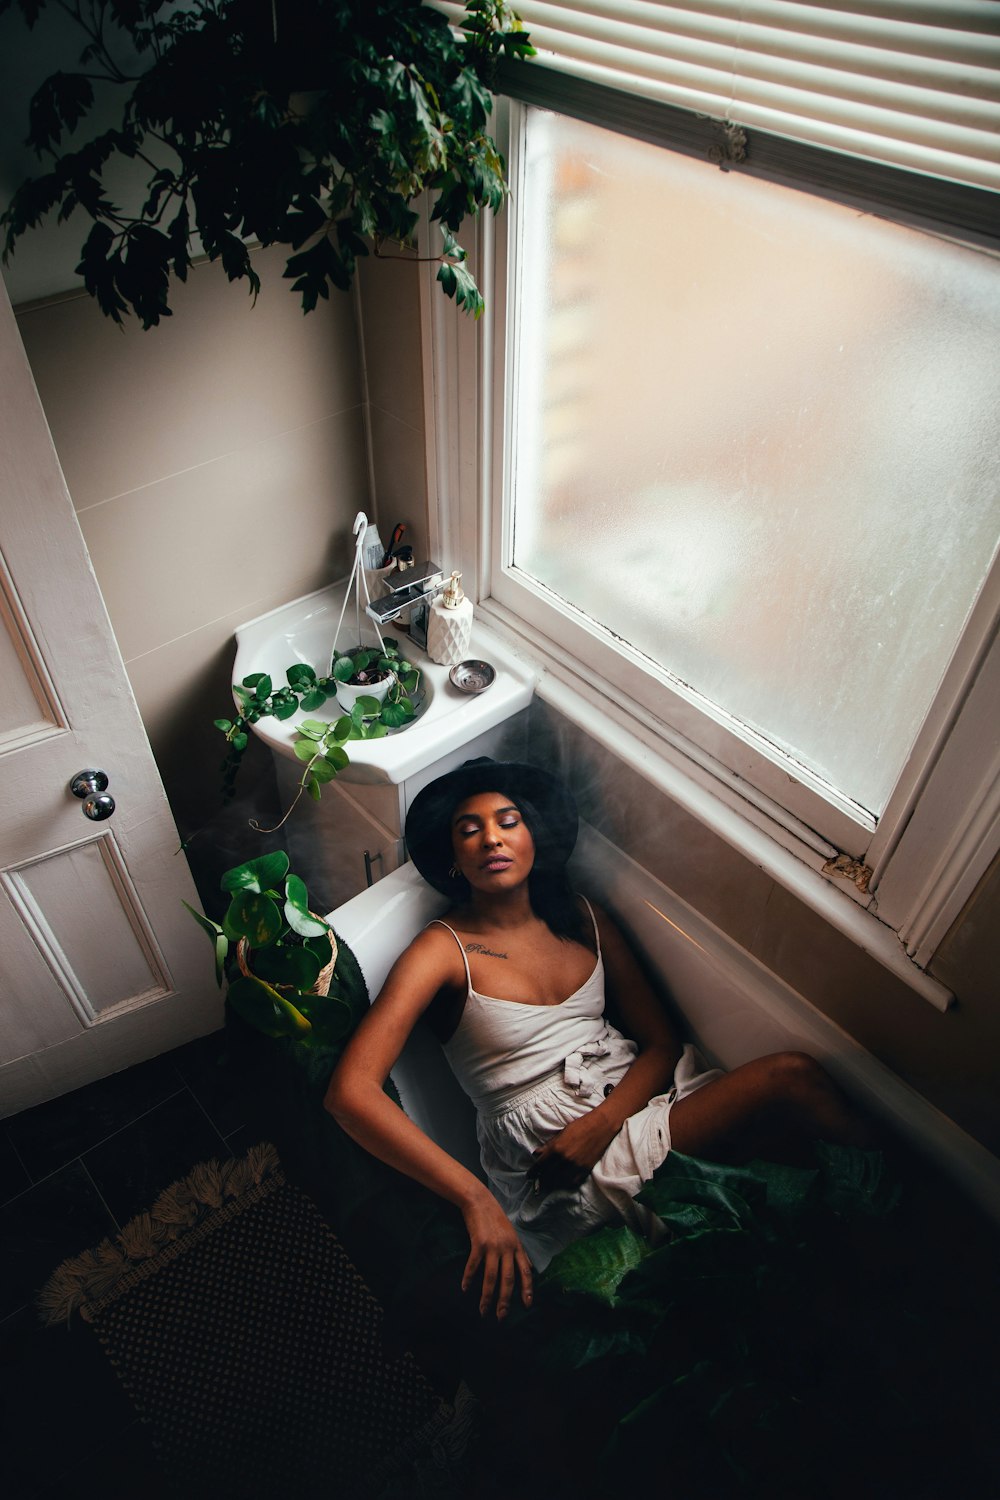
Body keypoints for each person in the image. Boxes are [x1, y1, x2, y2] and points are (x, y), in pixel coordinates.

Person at [325, 759, 873, 1323]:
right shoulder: (441, 950)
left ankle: (866, 1258)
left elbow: (660, 1044)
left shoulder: (582, 917)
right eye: (470, 829)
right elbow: (350, 1093)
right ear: (455, 858)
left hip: (630, 1105)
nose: (492, 837)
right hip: (557, 1159)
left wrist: (602, 1121)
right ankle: (897, 1220)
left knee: (786, 1176)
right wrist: (474, 1200)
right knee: (790, 1079)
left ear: (533, 834)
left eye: (508, 820)